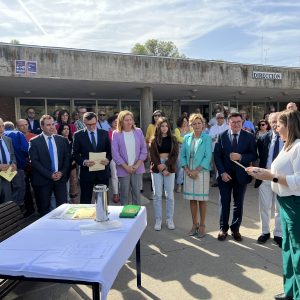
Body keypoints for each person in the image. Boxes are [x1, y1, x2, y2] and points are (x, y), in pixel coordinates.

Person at [246, 110, 300, 300]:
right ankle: (290, 291)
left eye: (279, 124)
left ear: (290, 125)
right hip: (285, 202)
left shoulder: (298, 147)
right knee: (288, 248)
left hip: (295, 204)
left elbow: (298, 180)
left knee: (297, 251)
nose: (275, 127)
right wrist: (262, 172)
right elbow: (276, 171)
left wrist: (272, 176)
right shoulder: (287, 146)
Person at [214, 112, 257, 242]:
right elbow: (217, 156)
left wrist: (241, 157)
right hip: (225, 176)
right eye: (233, 122)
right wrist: (222, 172)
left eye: (239, 122)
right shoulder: (221, 136)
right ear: (229, 123)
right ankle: (223, 229)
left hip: (241, 177)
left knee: (238, 204)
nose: (236, 124)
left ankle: (235, 229)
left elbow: (254, 155)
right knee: (224, 203)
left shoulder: (249, 137)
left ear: (242, 122)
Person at [29, 115, 70, 215]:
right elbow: (34, 162)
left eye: (53, 124)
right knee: (44, 209)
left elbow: (67, 159)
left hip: (60, 179)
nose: (52, 127)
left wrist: (61, 172)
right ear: (42, 126)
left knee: (63, 208)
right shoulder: (34, 142)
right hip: (43, 180)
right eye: (48, 125)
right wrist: (49, 175)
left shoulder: (62, 140)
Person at [180, 113, 212, 238]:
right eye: (194, 123)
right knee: (192, 199)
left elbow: (208, 156)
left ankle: (203, 225)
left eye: (199, 123)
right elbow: (182, 155)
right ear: (191, 125)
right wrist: (187, 170)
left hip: (202, 172)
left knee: (202, 200)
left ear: (203, 124)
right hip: (189, 171)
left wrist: (196, 171)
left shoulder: (207, 138)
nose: (197, 125)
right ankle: (194, 224)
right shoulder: (187, 137)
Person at [254, 112, 283, 247]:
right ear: (269, 123)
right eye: (272, 122)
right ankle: (265, 232)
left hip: (280, 178)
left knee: (279, 207)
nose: (275, 124)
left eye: (277, 121)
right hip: (265, 176)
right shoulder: (263, 138)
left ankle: (278, 234)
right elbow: (255, 155)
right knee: (264, 206)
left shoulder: (288, 138)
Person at [72, 112, 111, 204]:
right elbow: (74, 154)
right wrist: (84, 162)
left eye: (93, 124)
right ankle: (85, 218)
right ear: (84, 123)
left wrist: (108, 159)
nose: (91, 127)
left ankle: (103, 217)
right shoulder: (78, 135)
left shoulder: (104, 134)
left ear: (97, 121)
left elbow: (110, 152)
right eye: (88, 125)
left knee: (103, 201)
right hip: (86, 174)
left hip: (102, 173)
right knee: (85, 201)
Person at [112, 110, 147, 205]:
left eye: (130, 119)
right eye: (126, 120)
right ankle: (125, 218)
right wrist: (126, 167)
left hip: (137, 168)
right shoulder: (116, 133)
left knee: (137, 194)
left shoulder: (138, 131)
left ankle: (136, 217)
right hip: (123, 169)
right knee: (124, 195)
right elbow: (115, 153)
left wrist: (137, 165)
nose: (129, 122)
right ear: (121, 121)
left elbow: (144, 150)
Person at [149, 117, 178, 231]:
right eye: (162, 126)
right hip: (157, 167)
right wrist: (160, 167)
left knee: (169, 195)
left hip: (169, 166)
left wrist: (166, 166)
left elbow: (175, 155)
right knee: (157, 195)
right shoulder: (154, 139)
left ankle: (169, 219)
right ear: (158, 127)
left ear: (168, 127)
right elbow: (153, 155)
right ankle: (158, 220)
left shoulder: (173, 139)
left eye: (166, 126)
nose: (164, 128)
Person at [4, 121, 28, 208]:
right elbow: (26, 149)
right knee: (18, 189)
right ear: (14, 127)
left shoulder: (3, 135)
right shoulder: (17, 133)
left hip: (4, 168)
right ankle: (16, 210)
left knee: (6, 192)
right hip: (16, 167)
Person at [16, 119, 37, 216]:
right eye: (21, 125)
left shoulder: (34, 136)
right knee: (25, 190)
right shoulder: (14, 137)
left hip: (34, 168)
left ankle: (40, 208)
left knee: (37, 188)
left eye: (26, 124)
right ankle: (30, 209)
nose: (24, 127)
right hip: (22, 169)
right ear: (17, 127)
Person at [57, 123, 79, 203]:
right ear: (61, 130)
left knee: (73, 182)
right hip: (62, 166)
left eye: (68, 129)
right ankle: (66, 200)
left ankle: (73, 200)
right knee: (65, 183)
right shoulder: (58, 140)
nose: (66, 131)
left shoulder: (72, 140)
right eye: (64, 129)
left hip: (72, 165)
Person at [209, 112, 229, 187]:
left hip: (225, 150)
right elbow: (210, 137)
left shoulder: (227, 127)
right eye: (218, 118)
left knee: (224, 165)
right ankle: (216, 181)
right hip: (215, 149)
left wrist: (217, 138)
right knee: (215, 166)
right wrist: (215, 138)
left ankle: (223, 179)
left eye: (222, 118)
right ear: (216, 119)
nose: (220, 119)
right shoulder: (213, 127)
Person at [0, 118, 17, 204]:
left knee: (7, 204)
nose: (1, 129)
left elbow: (12, 155)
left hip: (7, 177)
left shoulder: (7, 140)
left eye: (2, 126)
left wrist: (13, 163)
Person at [174, 116, 191, 193]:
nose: (185, 123)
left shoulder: (190, 129)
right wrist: (187, 140)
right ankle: (179, 184)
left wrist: (184, 139)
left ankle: (184, 184)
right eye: (183, 121)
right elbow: (178, 139)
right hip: (180, 150)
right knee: (180, 168)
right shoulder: (177, 129)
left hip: (189, 150)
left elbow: (193, 138)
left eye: (186, 121)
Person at [107, 115, 119, 203]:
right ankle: (116, 193)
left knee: (123, 175)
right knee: (114, 175)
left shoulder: (122, 132)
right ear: (111, 123)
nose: (117, 123)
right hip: (112, 157)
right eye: (115, 122)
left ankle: (123, 192)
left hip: (122, 157)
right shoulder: (107, 133)